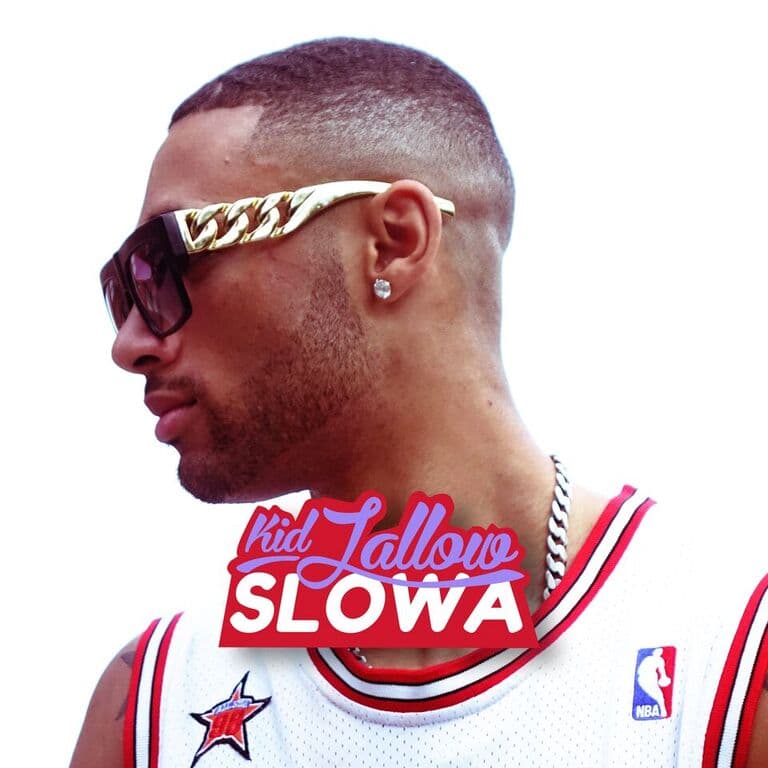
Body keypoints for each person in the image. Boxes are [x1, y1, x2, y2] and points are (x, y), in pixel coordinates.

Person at [71, 38, 767, 767]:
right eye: (124, 290)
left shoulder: (725, 664)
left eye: (170, 259)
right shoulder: (152, 708)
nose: (129, 342)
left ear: (394, 244)